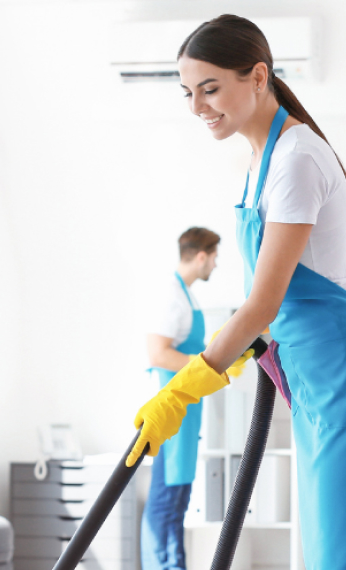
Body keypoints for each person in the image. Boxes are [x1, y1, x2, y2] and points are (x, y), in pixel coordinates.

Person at [124, 14, 346, 570]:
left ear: (258, 76)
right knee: (330, 541)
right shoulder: (262, 159)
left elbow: (264, 302)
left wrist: (182, 391)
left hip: (345, 372)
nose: (197, 106)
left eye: (210, 88)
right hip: (314, 373)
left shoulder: (296, 158)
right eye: (188, 92)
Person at [141, 227, 219, 570]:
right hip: (172, 415)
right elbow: (157, 354)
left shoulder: (187, 296)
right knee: (166, 503)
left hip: (187, 415)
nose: (215, 265)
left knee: (177, 503)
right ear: (200, 256)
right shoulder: (172, 296)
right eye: (214, 257)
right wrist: (204, 367)